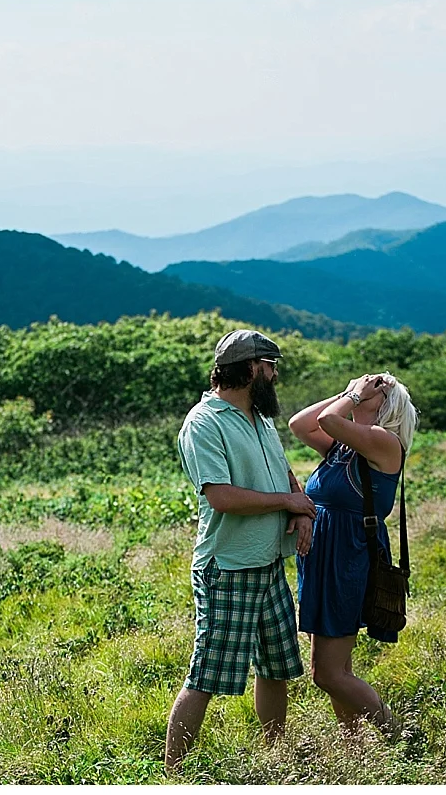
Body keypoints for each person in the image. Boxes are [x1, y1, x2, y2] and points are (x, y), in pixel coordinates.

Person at [166, 329, 316, 773]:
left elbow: (283, 472)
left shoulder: (261, 418)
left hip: (269, 563)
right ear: (251, 368)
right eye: (271, 367)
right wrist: (287, 502)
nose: (275, 376)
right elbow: (222, 497)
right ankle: (173, 774)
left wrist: (300, 508)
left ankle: (275, 758)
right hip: (228, 566)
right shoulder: (204, 423)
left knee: (275, 667)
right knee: (206, 676)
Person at [287, 371, 418, 741]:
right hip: (324, 555)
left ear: (384, 403)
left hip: (348, 556)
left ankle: (398, 735)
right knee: (337, 667)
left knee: (326, 673)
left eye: (370, 388)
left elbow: (327, 420)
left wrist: (354, 397)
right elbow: (300, 425)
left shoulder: (384, 441)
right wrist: (348, 393)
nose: (360, 389)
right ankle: (354, 746)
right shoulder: (345, 445)